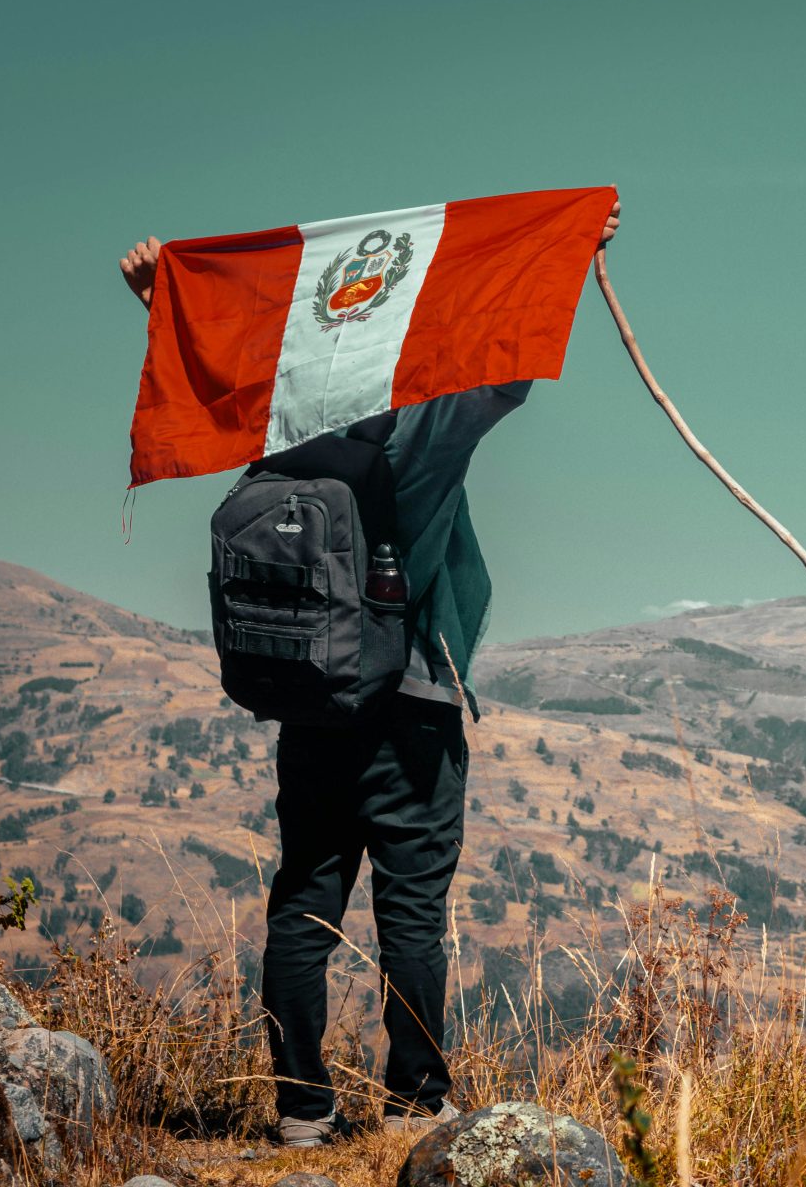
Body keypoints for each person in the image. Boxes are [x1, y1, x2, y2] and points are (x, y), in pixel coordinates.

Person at [118, 198, 620, 1146]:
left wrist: (159, 296)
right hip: (411, 710)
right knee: (413, 919)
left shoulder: (278, 431)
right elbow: (508, 369)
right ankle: (413, 1106)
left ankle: (302, 1112)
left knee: (303, 906)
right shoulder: (420, 435)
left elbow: (216, 364)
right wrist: (566, 246)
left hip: (310, 710)